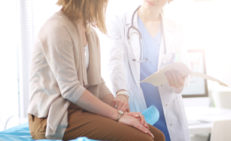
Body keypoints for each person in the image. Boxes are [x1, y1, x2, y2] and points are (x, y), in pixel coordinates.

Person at [27, 0, 165, 140]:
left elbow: (97, 83)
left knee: (157, 136)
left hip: (78, 110)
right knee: (144, 139)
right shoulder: (57, 28)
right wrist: (118, 116)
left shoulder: (89, 32)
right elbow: (71, 89)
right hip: (52, 117)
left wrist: (118, 106)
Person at [107, 0, 190, 140]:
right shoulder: (121, 22)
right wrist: (121, 92)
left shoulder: (175, 29)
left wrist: (181, 82)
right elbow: (115, 61)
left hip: (169, 113)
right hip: (138, 109)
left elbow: (184, 68)